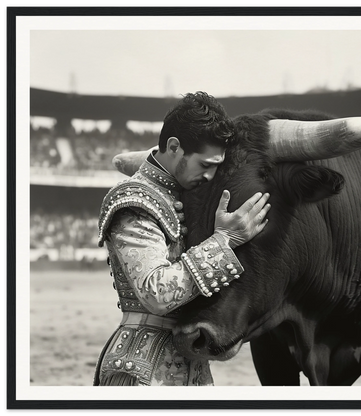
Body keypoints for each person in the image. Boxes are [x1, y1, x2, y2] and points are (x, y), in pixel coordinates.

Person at [94, 91, 271, 386]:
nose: (211, 176)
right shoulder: (135, 199)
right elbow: (157, 293)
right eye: (205, 165)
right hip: (142, 369)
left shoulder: (187, 194)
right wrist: (224, 240)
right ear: (174, 147)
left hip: (192, 368)